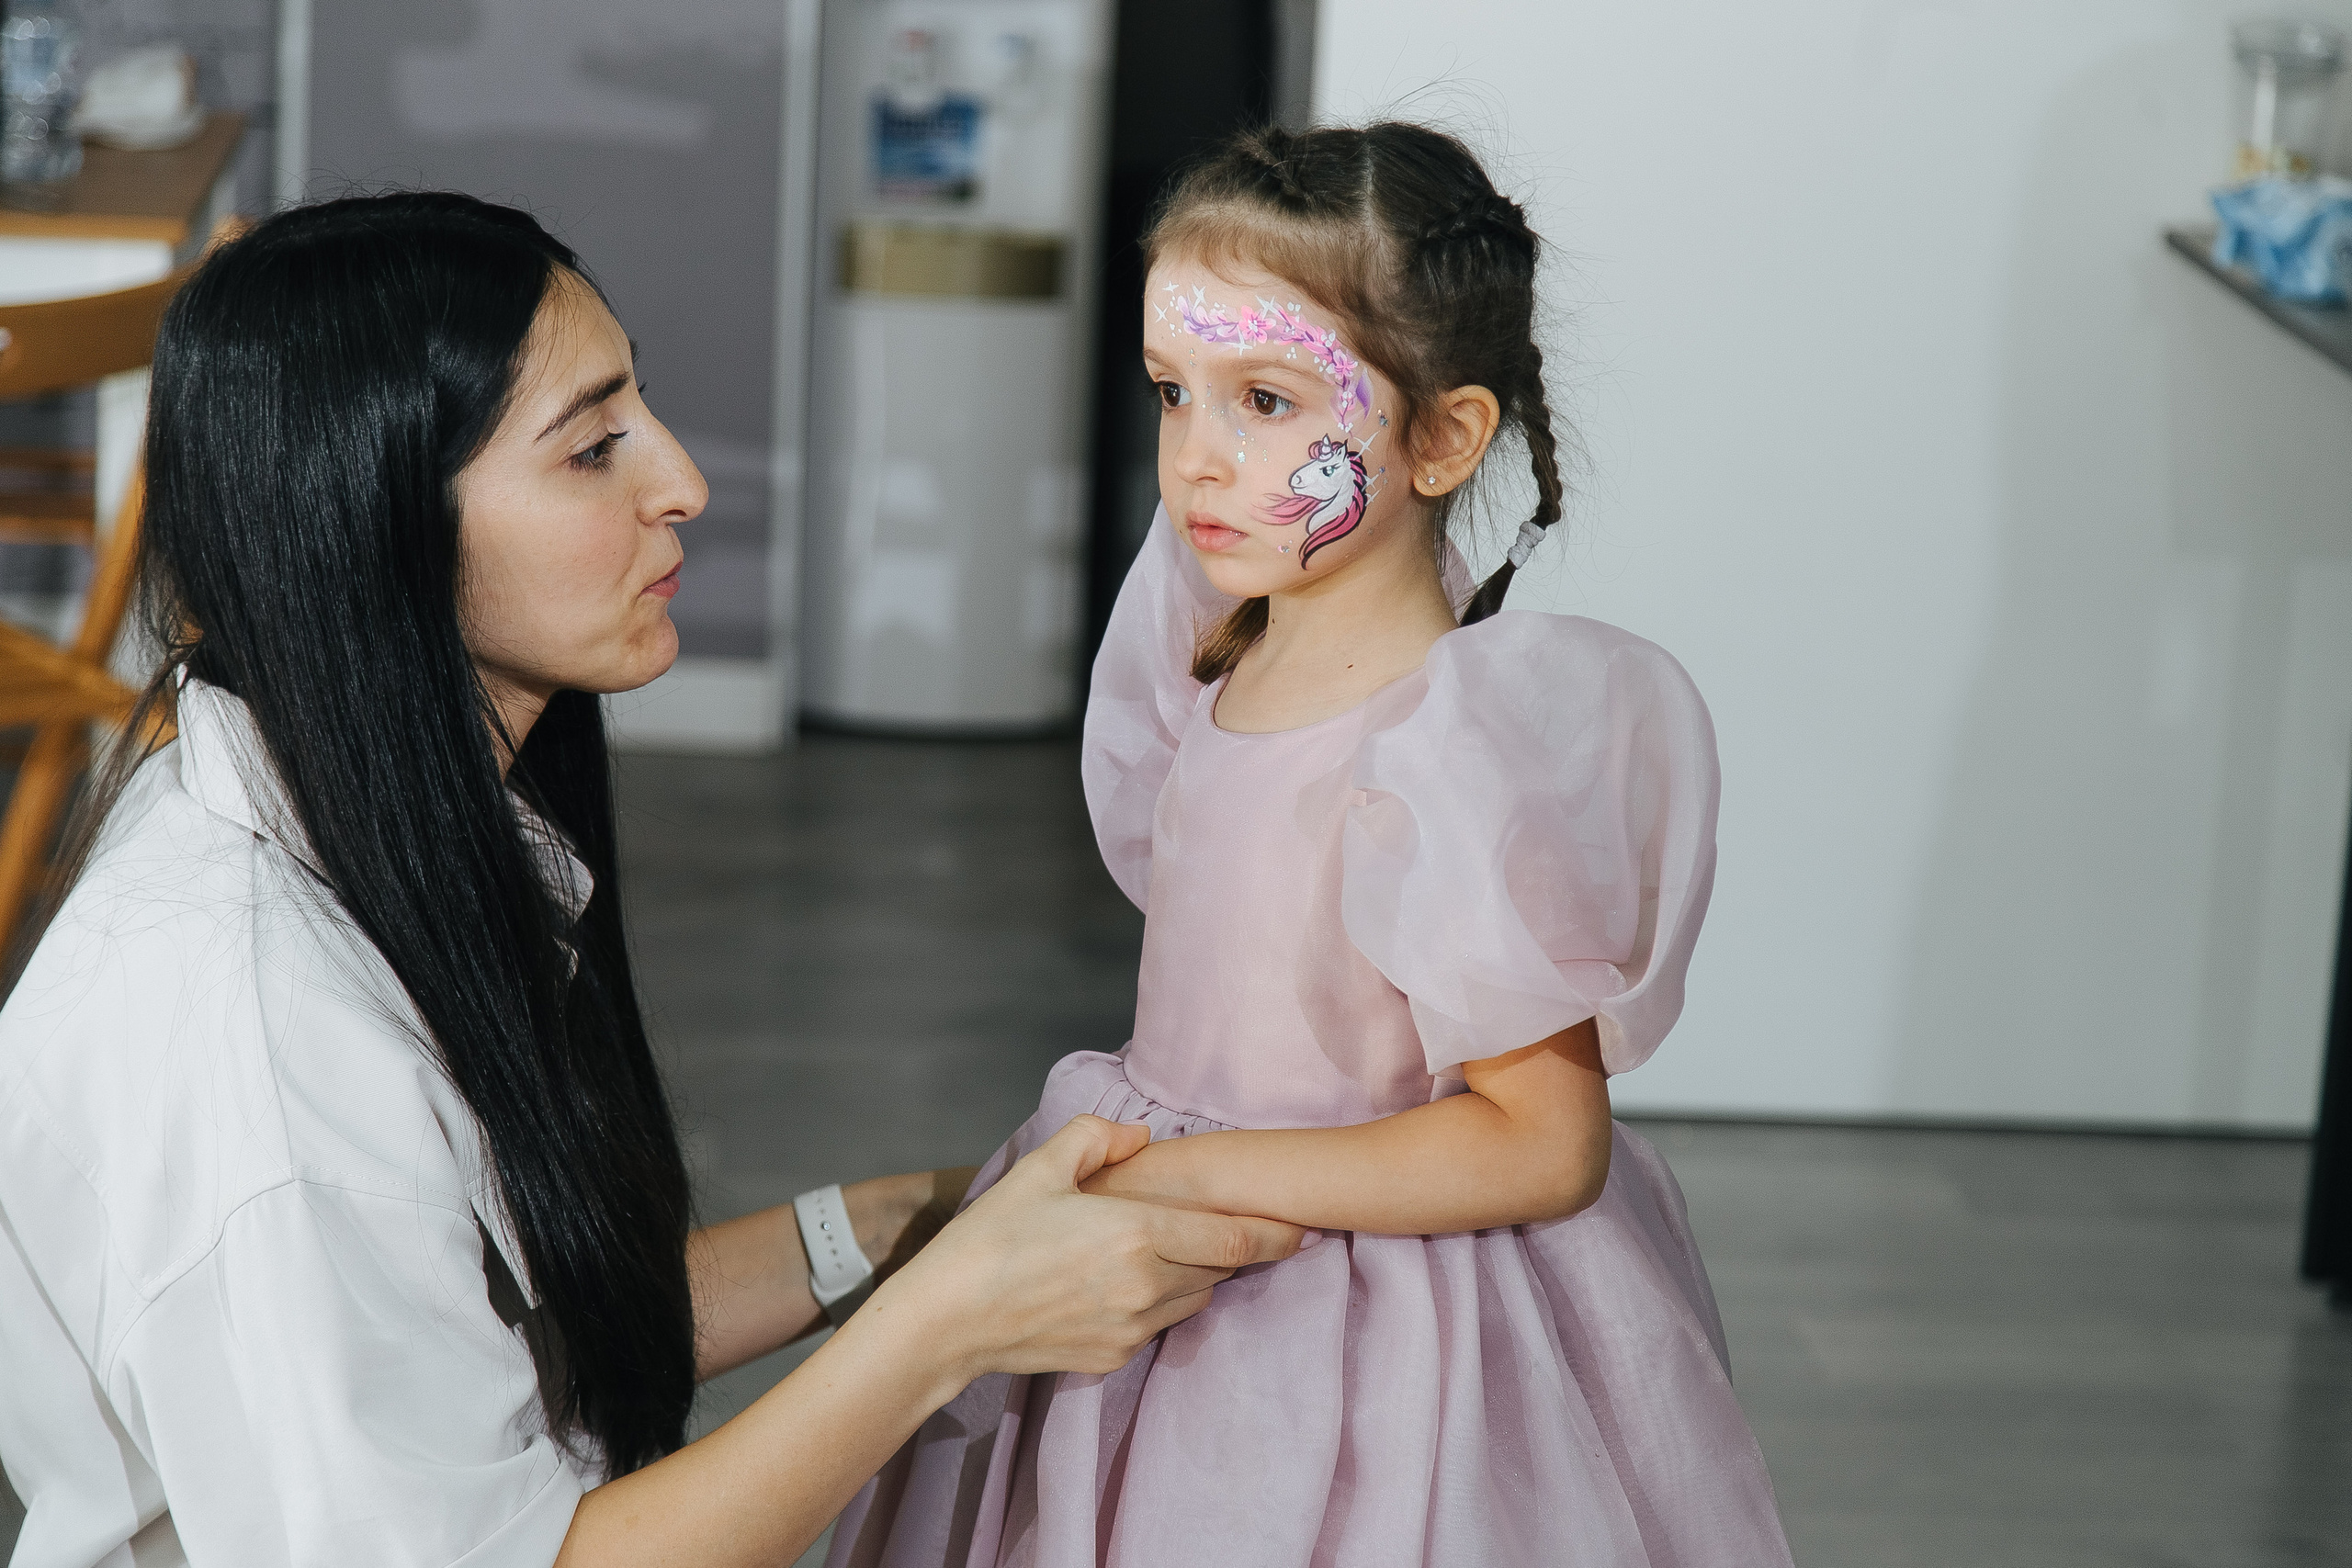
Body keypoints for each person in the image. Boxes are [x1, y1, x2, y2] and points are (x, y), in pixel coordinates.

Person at [0, 193, 1305, 1568]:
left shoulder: (338, 802)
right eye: (592, 448)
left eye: (645, 412)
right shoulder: (264, 1049)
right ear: (376, 524)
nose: (679, 478)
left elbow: (505, 1325)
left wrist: (898, 1228)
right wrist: (955, 1322)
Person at [829, 124, 1796, 1567]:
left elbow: (1541, 1143)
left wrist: (1190, 1178)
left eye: (1269, 401)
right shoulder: (1210, 657)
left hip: (1355, 1322)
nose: (1200, 458)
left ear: (1443, 437)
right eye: (1176, 394)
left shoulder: (1456, 752)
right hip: (1164, 1240)